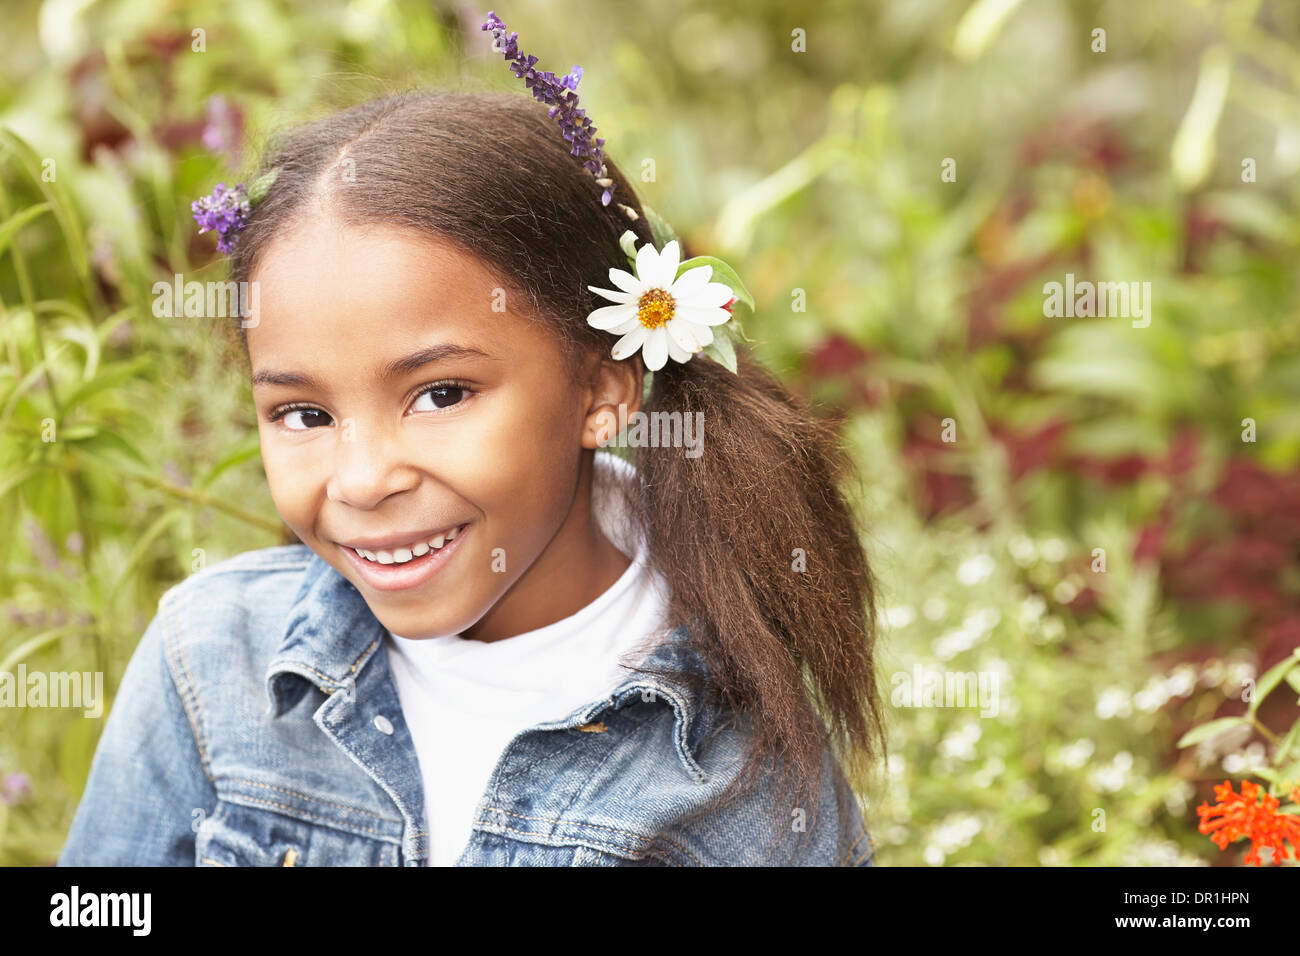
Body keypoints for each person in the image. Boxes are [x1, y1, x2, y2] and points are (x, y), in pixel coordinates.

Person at [58, 16, 885, 867]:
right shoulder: (209, 662)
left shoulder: (741, 775)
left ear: (603, 388)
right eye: (304, 414)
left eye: (440, 394)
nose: (364, 479)